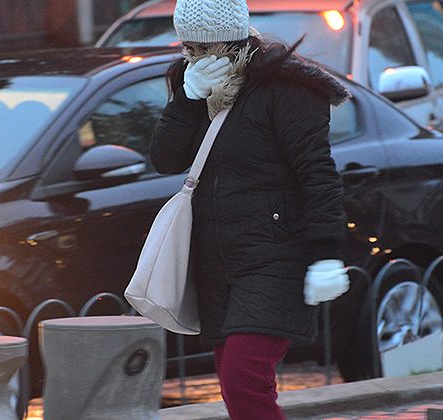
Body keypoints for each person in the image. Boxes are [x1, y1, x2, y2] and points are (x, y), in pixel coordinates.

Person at [149, 1, 352, 418]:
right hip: (219, 262)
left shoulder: (286, 87)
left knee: (244, 378)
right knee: (235, 384)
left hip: (275, 256)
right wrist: (187, 100)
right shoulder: (192, 83)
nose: (199, 57)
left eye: (211, 47)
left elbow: (318, 173)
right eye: (190, 47)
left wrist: (328, 253)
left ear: (238, 38)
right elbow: (166, 159)